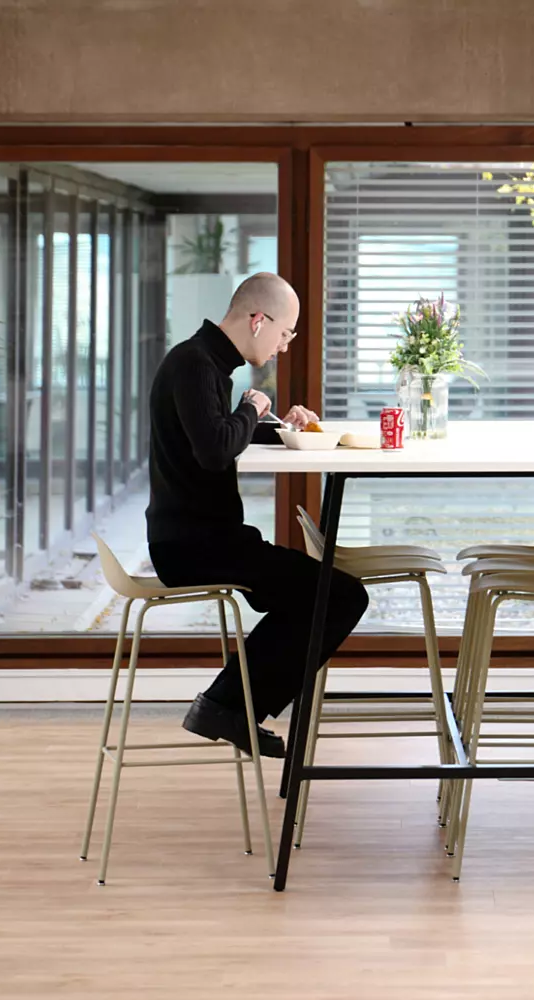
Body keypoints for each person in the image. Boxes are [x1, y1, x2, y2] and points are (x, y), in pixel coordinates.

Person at [146, 272, 368, 758]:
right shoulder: (196, 364)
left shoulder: (202, 361)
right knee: (341, 595)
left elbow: (211, 434)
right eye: (285, 333)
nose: (285, 346)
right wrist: (253, 406)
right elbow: (214, 449)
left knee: (321, 593)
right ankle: (226, 705)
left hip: (203, 540)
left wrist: (275, 426)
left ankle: (230, 704)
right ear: (258, 320)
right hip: (194, 547)